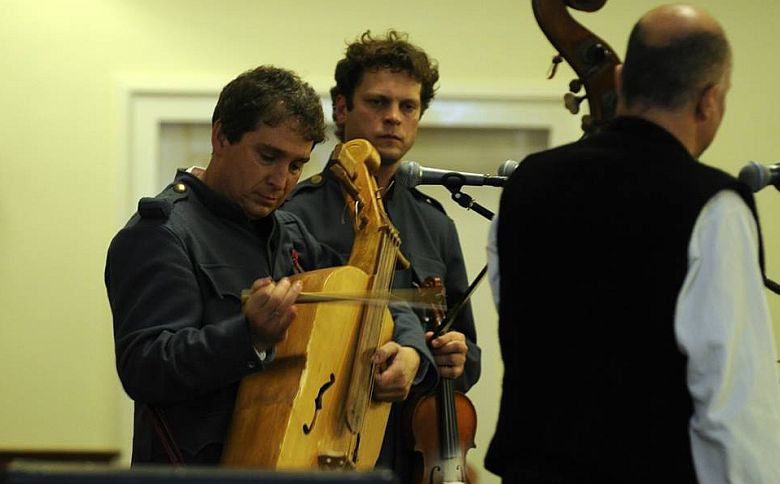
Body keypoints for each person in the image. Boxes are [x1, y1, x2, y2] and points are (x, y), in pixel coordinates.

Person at [486, 5, 780, 483]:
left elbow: (524, 326)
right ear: (708, 100)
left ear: (620, 79)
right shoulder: (714, 205)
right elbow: (734, 410)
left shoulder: (526, 185)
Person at [105, 65, 432, 465]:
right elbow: (145, 367)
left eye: (296, 165)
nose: (281, 180)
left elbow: (373, 292)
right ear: (221, 136)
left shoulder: (290, 233)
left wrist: (411, 352)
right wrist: (248, 336)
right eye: (268, 156)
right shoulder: (161, 233)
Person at [283, 30, 481, 481]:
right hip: (321, 442)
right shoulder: (294, 212)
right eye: (377, 102)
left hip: (412, 456)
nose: (393, 117)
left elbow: (466, 353)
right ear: (341, 108)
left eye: (408, 106)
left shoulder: (435, 224)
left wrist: (453, 359)